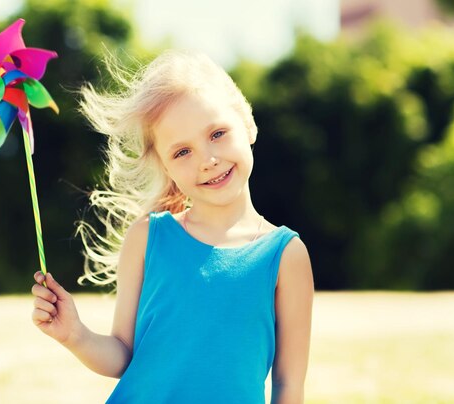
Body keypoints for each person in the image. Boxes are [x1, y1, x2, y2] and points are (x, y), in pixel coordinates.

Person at [31, 50, 314, 403]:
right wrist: (75, 334)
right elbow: (122, 353)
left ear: (248, 124)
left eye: (217, 133)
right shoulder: (147, 237)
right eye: (182, 152)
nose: (208, 160)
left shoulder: (285, 254)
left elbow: (289, 385)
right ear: (166, 167)